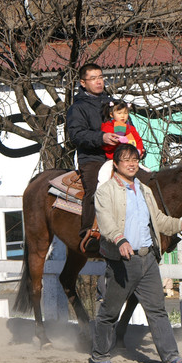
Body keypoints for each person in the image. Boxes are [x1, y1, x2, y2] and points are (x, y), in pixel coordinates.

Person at [89, 144, 182, 363]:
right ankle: (100, 354)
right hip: (123, 261)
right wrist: (120, 239)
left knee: (157, 310)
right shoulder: (105, 191)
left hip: (148, 258)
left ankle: (170, 357)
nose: (132, 164)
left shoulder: (144, 190)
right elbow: (105, 221)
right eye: (126, 160)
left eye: (135, 160)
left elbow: (158, 220)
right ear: (116, 164)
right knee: (110, 311)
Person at [66, 63, 122, 249]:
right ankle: (89, 233)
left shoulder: (113, 103)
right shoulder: (78, 108)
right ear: (83, 83)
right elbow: (76, 135)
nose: (99, 81)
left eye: (101, 77)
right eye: (93, 78)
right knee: (96, 189)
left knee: (145, 183)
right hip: (93, 158)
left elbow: (127, 126)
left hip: (118, 157)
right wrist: (101, 137)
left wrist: (135, 145)